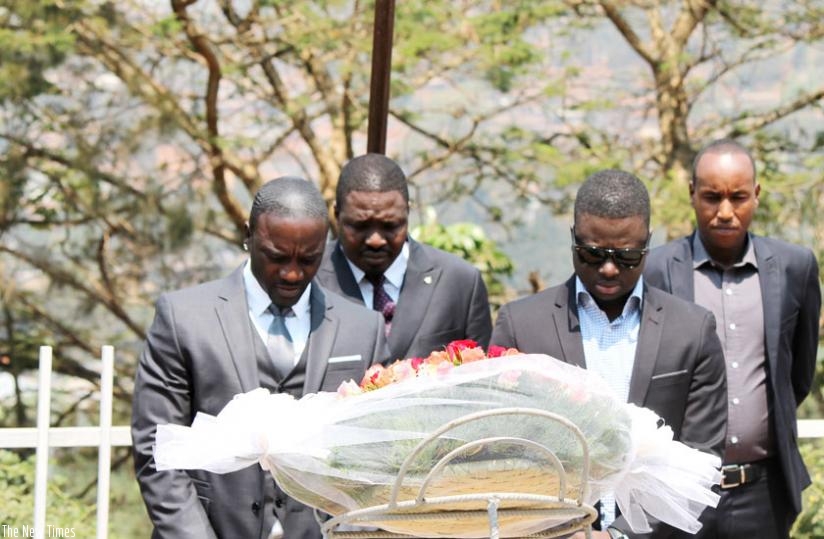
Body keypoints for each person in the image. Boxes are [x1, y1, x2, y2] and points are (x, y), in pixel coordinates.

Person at [131, 177, 388, 539]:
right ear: (248, 235)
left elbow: (376, 457)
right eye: (277, 256)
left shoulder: (363, 328)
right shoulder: (183, 318)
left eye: (309, 259)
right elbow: (157, 448)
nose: (292, 273)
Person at [491, 169, 727, 539]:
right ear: (573, 238)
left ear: (647, 243)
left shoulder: (692, 331)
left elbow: (702, 460)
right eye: (591, 253)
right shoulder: (521, 325)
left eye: (628, 257)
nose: (608, 268)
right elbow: (502, 449)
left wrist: (619, 536)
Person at [644, 139, 821, 539]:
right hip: (680, 491)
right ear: (692, 194)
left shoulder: (794, 267)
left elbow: (796, 376)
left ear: (756, 195)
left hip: (764, 493)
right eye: (712, 197)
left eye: (738, 197)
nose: (725, 211)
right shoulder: (656, 270)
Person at [316, 153, 492, 361]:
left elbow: (483, 379)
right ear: (336, 215)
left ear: (407, 212)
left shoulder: (459, 282)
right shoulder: (310, 280)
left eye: (390, 226)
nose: (375, 240)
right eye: (360, 226)